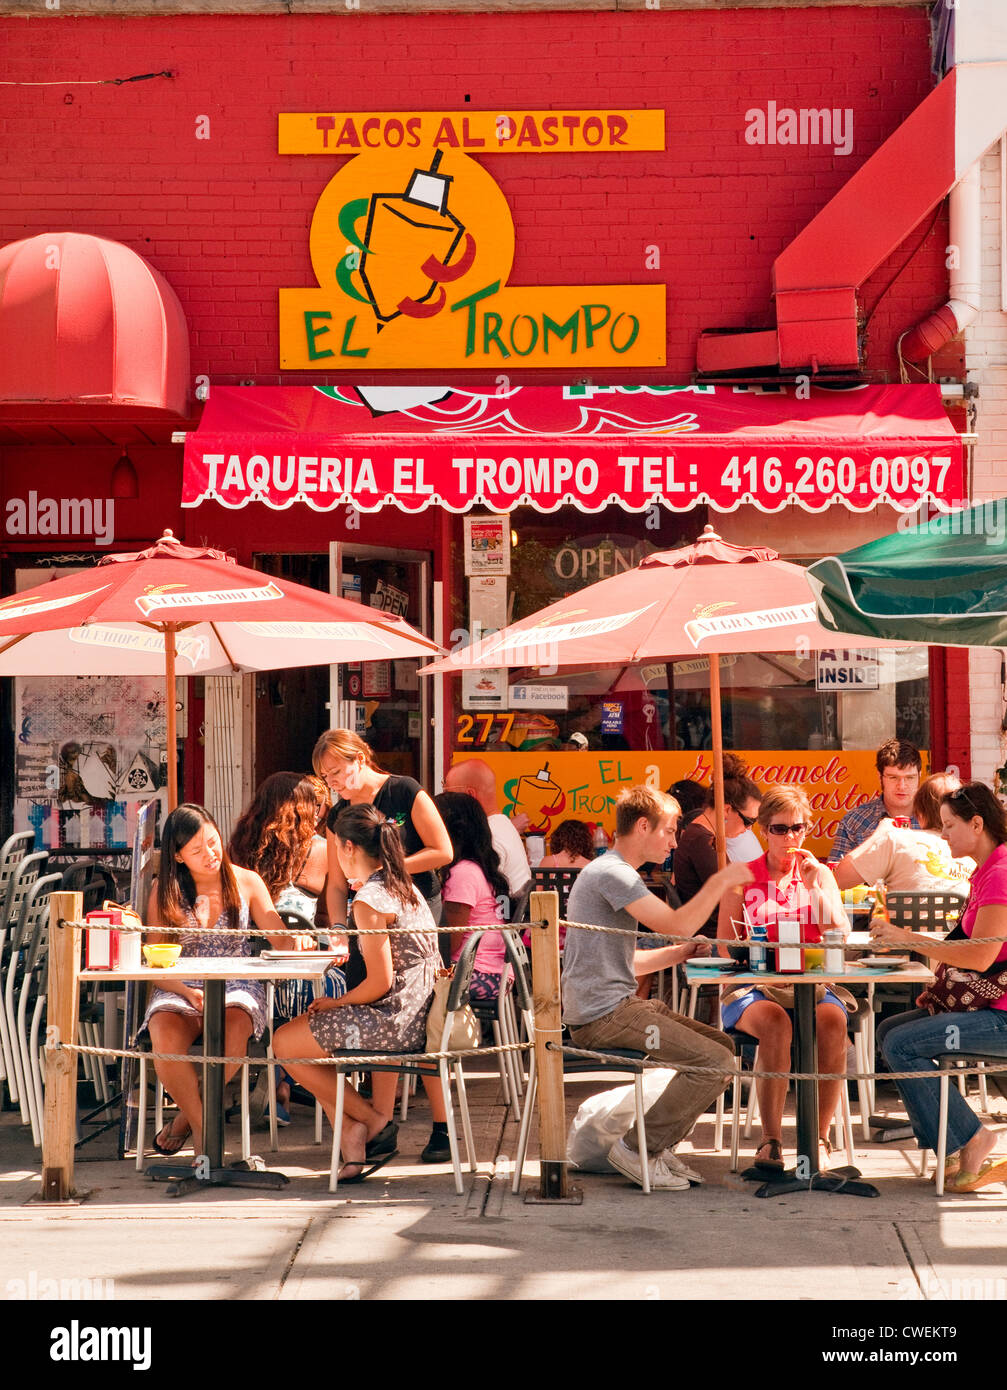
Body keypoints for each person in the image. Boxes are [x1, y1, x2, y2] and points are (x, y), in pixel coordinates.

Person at [562, 785, 753, 1190]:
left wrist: (680, 954)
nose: (673, 841)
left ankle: (657, 1147)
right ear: (643, 826)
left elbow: (623, 961)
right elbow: (677, 923)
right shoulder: (613, 873)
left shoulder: (611, 871)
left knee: (724, 1050)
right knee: (715, 1063)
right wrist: (720, 883)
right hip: (605, 1015)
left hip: (616, 1006)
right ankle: (637, 1149)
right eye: (668, 831)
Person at [272, 804, 439, 1183]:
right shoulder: (400, 884)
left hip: (396, 1020)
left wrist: (337, 1002)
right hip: (415, 1010)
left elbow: (379, 983)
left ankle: (373, 1122)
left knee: (285, 1042)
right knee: (302, 1040)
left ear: (348, 848)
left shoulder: (368, 901)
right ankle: (352, 1136)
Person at [313, 728, 454, 1162]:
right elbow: (336, 884)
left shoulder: (404, 791)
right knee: (379, 1016)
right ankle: (381, 1120)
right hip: (366, 915)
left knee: (424, 1020)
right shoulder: (340, 813)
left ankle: (443, 1126)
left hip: (414, 907)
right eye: (326, 777)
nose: (334, 782)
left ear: (360, 757)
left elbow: (442, 849)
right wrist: (338, 927)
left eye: (337, 771)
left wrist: (387, 869)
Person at [141, 803, 313, 1158]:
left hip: (238, 983)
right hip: (179, 984)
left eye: (213, 842)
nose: (210, 854)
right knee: (164, 1035)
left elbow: (278, 935)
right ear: (177, 855)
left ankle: (186, 1123)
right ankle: (205, 1126)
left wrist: (300, 940)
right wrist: (187, 991)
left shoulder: (246, 881)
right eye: (197, 850)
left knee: (234, 1030)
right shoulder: (165, 889)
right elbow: (155, 956)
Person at [876, 782, 1007, 1192]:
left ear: (978, 823)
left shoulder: (1001, 873)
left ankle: (972, 1139)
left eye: (949, 825)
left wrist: (903, 937)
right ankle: (950, 1148)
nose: (943, 833)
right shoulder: (987, 870)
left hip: (1001, 1018)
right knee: (886, 1032)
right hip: (987, 1009)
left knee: (900, 1044)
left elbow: (981, 957)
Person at [716, 785, 850, 1173]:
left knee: (833, 1021)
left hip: (810, 983)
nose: (790, 837)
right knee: (775, 1024)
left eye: (798, 828)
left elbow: (839, 929)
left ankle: (818, 1138)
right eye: (779, 829)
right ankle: (771, 1141)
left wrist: (812, 888)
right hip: (752, 986)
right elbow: (725, 944)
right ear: (763, 830)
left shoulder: (819, 873)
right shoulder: (742, 877)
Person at [228, 771, 344, 1126]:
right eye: (318, 807)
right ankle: (290, 1077)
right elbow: (326, 914)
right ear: (304, 811)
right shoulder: (324, 849)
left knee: (270, 990)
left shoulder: (238, 846)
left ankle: (275, 1081)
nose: (323, 814)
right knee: (330, 985)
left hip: (250, 968)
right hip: (300, 971)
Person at [832, 771, 974, 895]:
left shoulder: (895, 839)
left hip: (902, 927)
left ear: (919, 813)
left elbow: (839, 880)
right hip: (961, 926)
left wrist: (879, 833)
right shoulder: (972, 853)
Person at [673, 756, 762, 937]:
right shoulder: (700, 840)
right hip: (713, 940)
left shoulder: (703, 835)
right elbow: (733, 896)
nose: (749, 828)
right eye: (748, 820)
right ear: (727, 810)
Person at [433, 790, 510, 1001]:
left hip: (475, 973)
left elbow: (449, 942)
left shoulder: (463, 873)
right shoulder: (475, 868)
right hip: (492, 973)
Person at [443, 757, 531, 902]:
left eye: (447, 792)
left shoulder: (488, 836)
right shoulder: (502, 824)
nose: (444, 798)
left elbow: (467, 894)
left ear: (470, 795)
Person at [828, 738, 922, 863]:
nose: (902, 786)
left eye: (910, 778)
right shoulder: (854, 821)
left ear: (919, 776)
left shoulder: (938, 818)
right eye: (893, 777)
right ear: (880, 777)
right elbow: (835, 875)